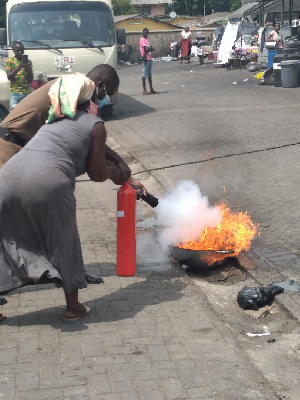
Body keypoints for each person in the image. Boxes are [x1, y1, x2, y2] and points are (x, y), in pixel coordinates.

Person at [0, 74, 145, 323]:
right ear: (88, 98)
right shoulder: (95, 124)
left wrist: (121, 168)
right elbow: (97, 173)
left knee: (6, 238)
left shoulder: (52, 122)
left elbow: (91, 149)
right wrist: (116, 173)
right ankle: (73, 307)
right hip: (47, 184)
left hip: (7, 177)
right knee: (64, 241)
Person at [5, 41, 33, 110]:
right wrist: (18, 67)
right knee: (14, 113)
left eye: (21, 50)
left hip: (27, 93)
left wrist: (28, 68)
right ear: (14, 51)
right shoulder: (9, 61)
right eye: (18, 50)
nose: (20, 52)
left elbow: (30, 79)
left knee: (28, 113)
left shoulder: (28, 62)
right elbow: (9, 77)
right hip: (15, 94)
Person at [139, 28, 157, 95]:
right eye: (145, 33)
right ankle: (144, 90)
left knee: (149, 74)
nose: (146, 34)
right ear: (143, 33)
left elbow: (151, 48)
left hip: (149, 58)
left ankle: (151, 89)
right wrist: (151, 49)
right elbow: (146, 49)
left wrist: (151, 48)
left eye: (147, 33)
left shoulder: (147, 40)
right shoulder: (142, 40)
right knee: (144, 74)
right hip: (145, 58)